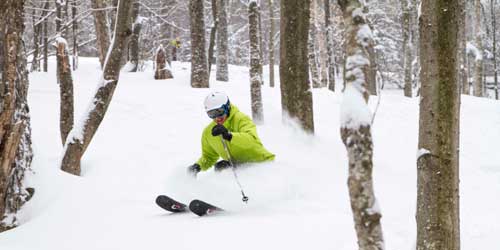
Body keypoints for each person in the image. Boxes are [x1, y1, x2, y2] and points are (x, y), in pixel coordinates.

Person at [187, 92, 275, 177]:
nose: (217, 118)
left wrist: (229, 135)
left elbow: (251, 141)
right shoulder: (209, 132)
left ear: (227, 107)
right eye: (212, 114)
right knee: (220, 167)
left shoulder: (241, 119)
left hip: (262, 165)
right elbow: (209, 157)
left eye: (219, 112)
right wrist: (198, 166)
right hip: (240, 168)